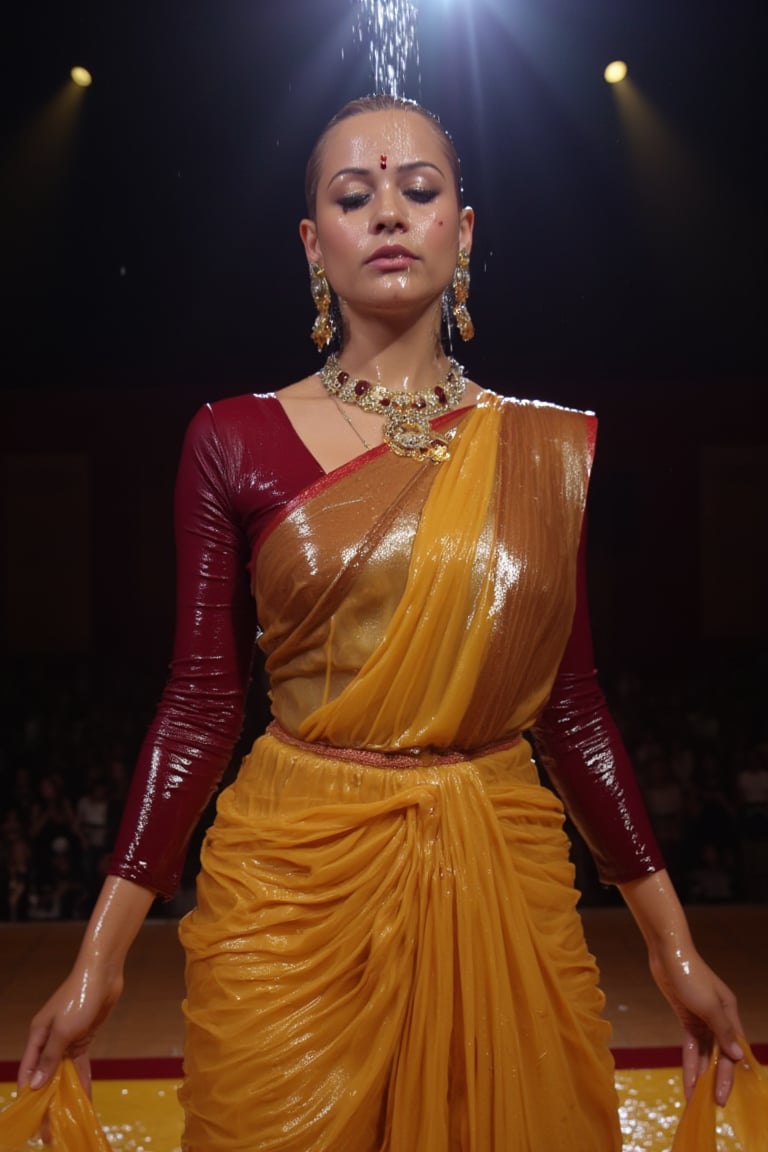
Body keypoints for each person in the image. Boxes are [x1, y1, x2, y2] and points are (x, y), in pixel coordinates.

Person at [15, 95, 746, 1151]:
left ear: (467, 227)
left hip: (496, 879)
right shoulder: (234, 439)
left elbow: (572, 708)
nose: (391, 215)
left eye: (421, 189)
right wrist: (99, 956)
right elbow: (201, 703)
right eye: (355, 197)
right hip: (296, 888)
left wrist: (674, 949)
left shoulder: (537, 451)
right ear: (315, 243)